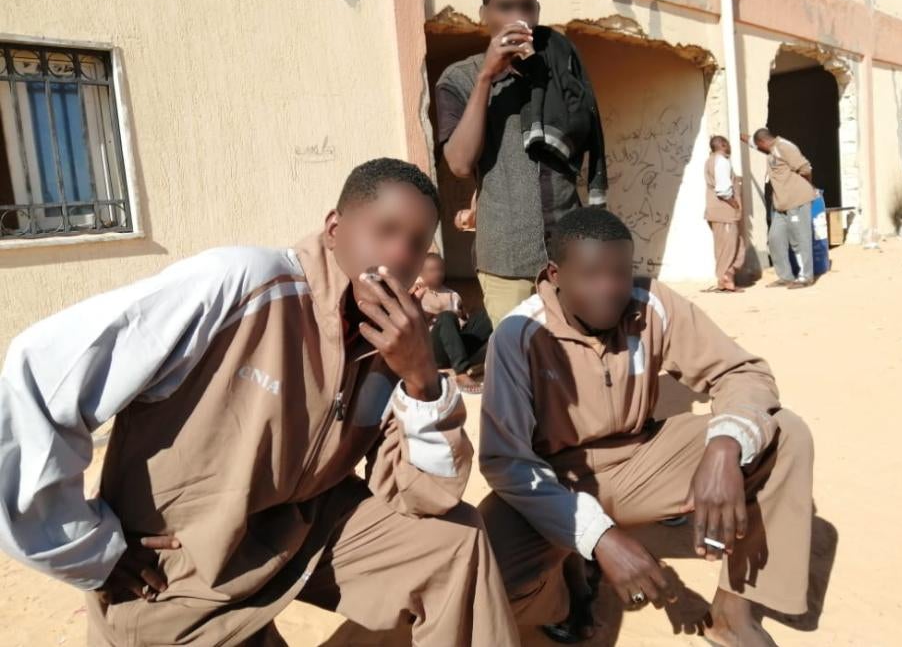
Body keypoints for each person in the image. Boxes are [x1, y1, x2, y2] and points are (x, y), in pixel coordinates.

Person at [0, 159, 518, 646]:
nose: (401, 257)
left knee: (455, 542)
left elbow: (425, 496)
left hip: (302, 533)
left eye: (416, 243)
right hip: (178, 573)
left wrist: (422, 381)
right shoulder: (241, 284)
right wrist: (87, 551)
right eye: (384, 231)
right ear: (335, 228)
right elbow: (38, 374)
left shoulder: (391, 346)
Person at [478, 208, 814, 647]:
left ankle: (733, 617)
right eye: (591, 275)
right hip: (556, 479)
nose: (610, 289)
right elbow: (507, 461)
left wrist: (726, 443)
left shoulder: (651, 303)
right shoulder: (519, 333)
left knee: (785, 435)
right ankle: (565, 597)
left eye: (620, 273)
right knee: (481, 575)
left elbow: (742, 373)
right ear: (556, 274)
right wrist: (597, 536)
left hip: (644, 460)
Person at [436, 0, 608, 327]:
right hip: (506, 259)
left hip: (568, 250)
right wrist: (487, 77)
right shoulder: (461, 79)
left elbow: (586, 134)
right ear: (484, 14)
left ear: (537, 11)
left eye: (527, 6)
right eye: (506, 7)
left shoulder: (559, 69)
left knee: (575, 359)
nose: (519, 16)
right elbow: (460, 163)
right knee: (519, 366)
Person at [745, 129, 817, 289]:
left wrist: (807, 186)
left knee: (799, 239)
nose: (757, 148)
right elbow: (752, 142)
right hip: (781, 205)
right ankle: (785, 276)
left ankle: (806, 277)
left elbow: (806, 168)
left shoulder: (784, 147)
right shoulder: (770, 149)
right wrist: (739, 135)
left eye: (758, 146)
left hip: (797, 201)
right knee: (775, 238)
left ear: (763, 142)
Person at [415, 252, 492, 393]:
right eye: (432, 270)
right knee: (446, 317)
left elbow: (464, 320)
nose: (438, 274)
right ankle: (461, 373)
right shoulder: (417, 294)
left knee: (488, 314)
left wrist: (463, 316)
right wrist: (437, 314)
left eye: (441, 270)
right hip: (434, 352)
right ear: (421, 272)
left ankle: (492, 358)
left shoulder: (453, 295)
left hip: (457, 347)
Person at [705, 135, 746, 293]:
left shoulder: (711, 160)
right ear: (722, 145)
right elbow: (722, 190)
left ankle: (726, 279)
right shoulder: (721, 161)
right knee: (729, 248)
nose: (730, 146)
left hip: (717, 212)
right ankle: (726, 281)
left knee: (731, 246)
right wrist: (733, 203)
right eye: (727, 143)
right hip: (724, 212)